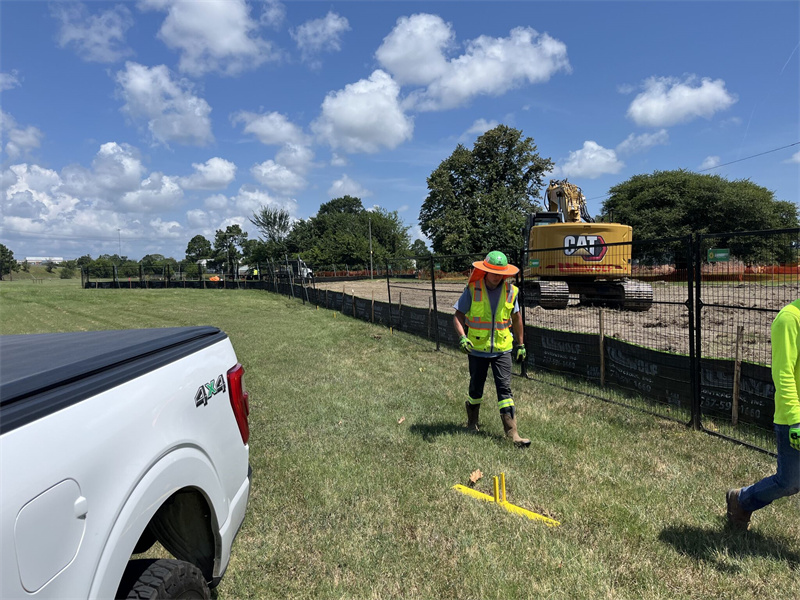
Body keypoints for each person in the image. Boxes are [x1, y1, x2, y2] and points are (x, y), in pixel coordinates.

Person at [726, 298, 800, 530]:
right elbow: (783, 374)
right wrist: (796, 419)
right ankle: (741, 499)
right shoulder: (789, 319)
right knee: (790, 483)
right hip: (794, 419)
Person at [453, 251, 530, 448]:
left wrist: (520, 344)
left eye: (500, 273)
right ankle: (472, 423)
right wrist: (462, 337)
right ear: (485, 271)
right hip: (477, 349)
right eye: (493, 272)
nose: (497, 277)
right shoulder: (473, 290)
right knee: (475, 388)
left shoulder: (512, 292)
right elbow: (458, 315)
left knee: (504, 389)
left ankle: (513, 433)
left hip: (503, 350)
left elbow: (517, 319)